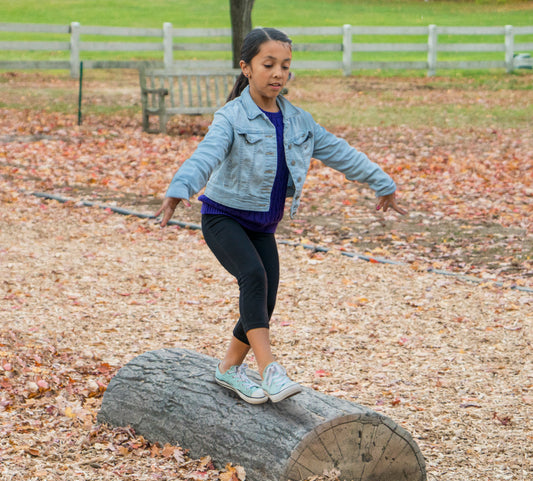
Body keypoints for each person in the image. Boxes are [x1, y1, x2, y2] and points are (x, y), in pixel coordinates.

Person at [155, 27, 407, 405]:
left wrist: (382, 183)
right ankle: (270, 369)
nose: (277, 73)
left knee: (264, 299)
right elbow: (206, 155)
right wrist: (180, 187)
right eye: (268, 64)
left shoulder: (299, 122)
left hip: (262, 225)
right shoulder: (232, 117)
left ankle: (228, 370)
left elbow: (340, 152)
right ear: (246, 68)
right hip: (223, 217)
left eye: (285, 66)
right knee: (252, 276)